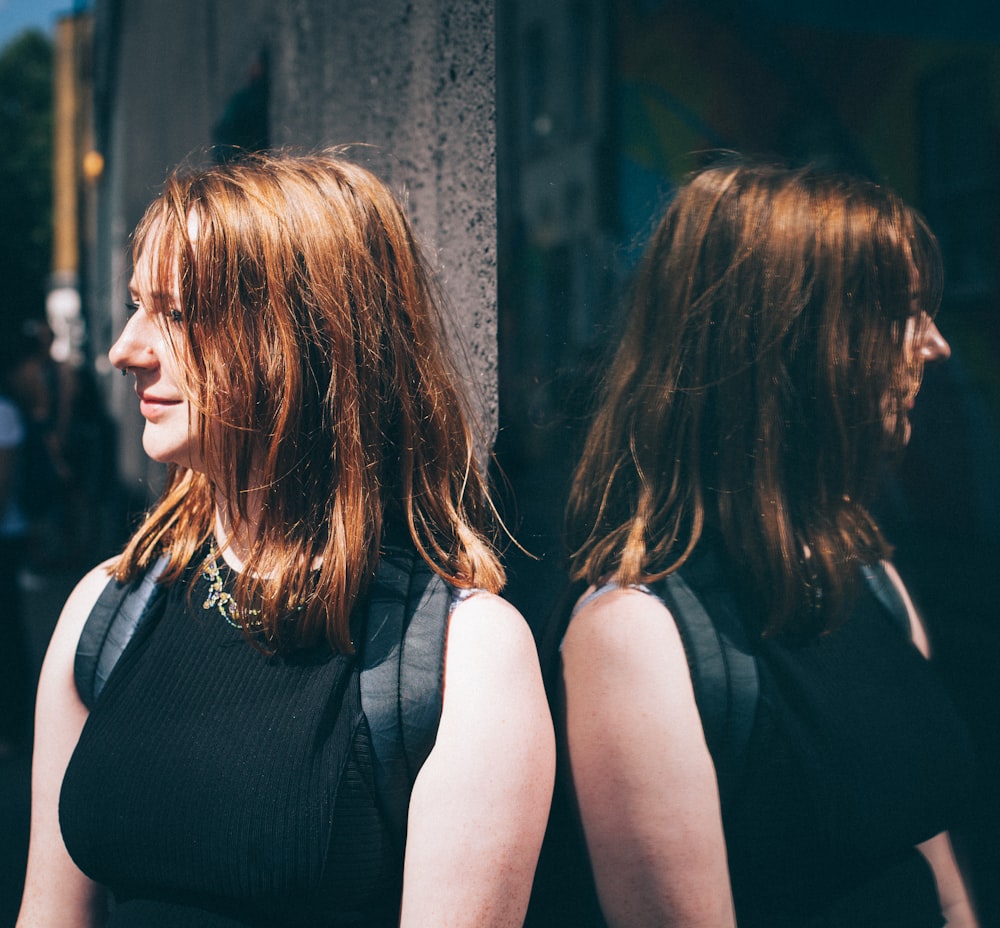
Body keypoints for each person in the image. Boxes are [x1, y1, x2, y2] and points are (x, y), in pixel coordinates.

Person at [17, 149, 554, 927]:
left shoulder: (458, 656)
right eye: (138, 305)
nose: (126, 349)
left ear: (304, 336)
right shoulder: (108, 609)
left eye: (175, 311)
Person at [556, 159, 979, 927]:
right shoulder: (639, 635)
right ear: (795, 340)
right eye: (903, 313)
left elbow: (938, 871)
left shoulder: (866, 573)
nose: (935, 344)